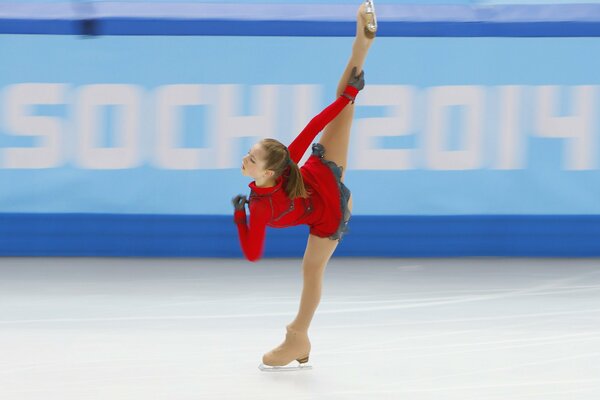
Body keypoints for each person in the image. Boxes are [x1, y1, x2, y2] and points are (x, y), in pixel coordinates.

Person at [232, 1, 376, 371]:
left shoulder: (263, 201)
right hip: (320, 176)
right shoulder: (284, 165)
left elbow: (251, 250)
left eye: (250, 157)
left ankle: (299, 336)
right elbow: (313, 125)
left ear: (267, 173)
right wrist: (347, 97)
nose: (245, 159)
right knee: (345, 108)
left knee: (311, 271)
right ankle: (360, 49)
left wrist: (240, 217)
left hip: (328, 208)